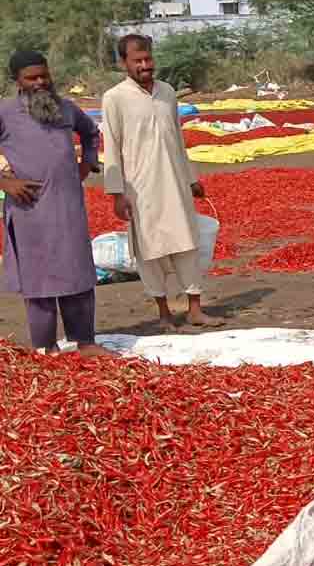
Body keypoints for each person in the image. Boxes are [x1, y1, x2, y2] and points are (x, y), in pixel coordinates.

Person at [101, 35, 222, 329]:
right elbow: (112, 148)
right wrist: (117, 194)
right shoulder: (114, 98)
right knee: (150, 251)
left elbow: (178, 141)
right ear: (123, 63)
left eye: (148, 59)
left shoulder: (167, 92)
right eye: (137, 61)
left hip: (175, 182)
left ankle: (194, 308)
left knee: (187, 244)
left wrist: (191, 178)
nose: (144, 65)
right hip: (140, 188)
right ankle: (164, 313)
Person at [0, 51, 111, 356]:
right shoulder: (6, 112)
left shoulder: (66, 108)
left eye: (43, 76)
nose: (40, 83)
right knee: (39, 280)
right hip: (30, 210)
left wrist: (87, 162)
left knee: (77, 271)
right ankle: (45, 346)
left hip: (68, 206)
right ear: (17, 82)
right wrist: (6, 182)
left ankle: (85, 341)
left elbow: (91, 133)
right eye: (31, 78)